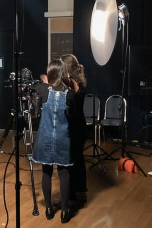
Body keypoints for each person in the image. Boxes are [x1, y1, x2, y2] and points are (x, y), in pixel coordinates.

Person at [32, 59, 75, 223]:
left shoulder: (43, 89)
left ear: (49, 74)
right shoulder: (70, 94)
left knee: (46, 172)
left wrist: (44, 80)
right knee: (64, 174)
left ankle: (49, 209)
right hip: (64, 137)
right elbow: (73, 117)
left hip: (46, 137)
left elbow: (35, 85)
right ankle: (64, 211)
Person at [61, 54, 88, 207]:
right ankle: (80, 192)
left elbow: (71, 104)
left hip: (74, 127)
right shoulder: (80, 81)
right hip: (80, 126)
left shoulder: (72, 84)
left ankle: (70, 196)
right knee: (78, 160)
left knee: (72, 161)